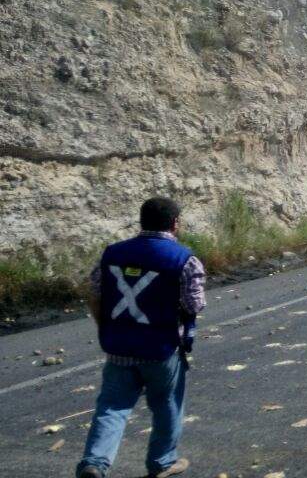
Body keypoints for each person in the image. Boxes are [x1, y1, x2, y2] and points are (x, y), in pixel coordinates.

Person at [77, 197, 205, 478]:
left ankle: (95, 463)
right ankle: (162, 462)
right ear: (175, 223)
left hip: (118, 346)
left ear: (141, 220)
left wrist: (105, 327)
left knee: (112, 407)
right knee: (167, 405)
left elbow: (95, 293)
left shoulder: (112, 253)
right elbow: (194, 304)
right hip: (161, 348)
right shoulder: (184, 259)